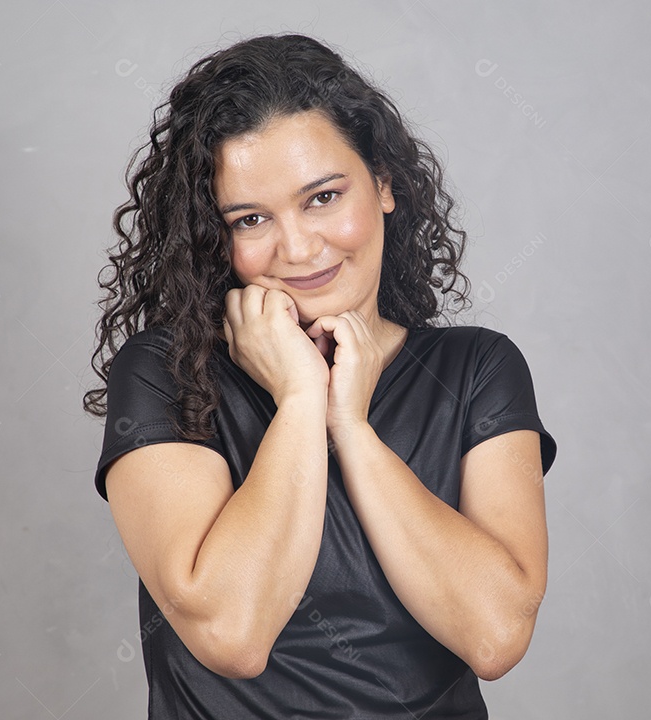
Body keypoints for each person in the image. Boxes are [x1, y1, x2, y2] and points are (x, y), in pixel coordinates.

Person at [83, 32, 557, 719]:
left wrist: (352, 425)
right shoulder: (165, 374)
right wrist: (302, 396)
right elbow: (232, 633)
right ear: (217, 238)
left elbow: (495, 635)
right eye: (251, 218)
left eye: (323, 198)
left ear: (385, 184)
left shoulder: (477, 369)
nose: (299, 247)